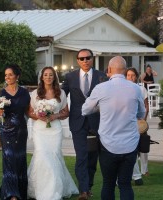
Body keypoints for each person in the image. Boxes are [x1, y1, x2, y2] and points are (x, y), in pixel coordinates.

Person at [82, 56, 146, 200]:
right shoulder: (135, 89)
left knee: (108, 184)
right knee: (125, 184)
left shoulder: (101, 88)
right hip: (130, 144)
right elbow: (142, 113)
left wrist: (100, 108)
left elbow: (85, 110)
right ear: (124, 70)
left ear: (109, 70)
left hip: (107, 144)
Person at [27, 66, 79, 200]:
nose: (48, 77)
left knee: (54, 156)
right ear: (42, 77)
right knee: (42, 155)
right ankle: (40, 189)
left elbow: (66, 112)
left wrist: (54, 116)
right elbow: (30, 112)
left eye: (51, 75)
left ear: (54, 77)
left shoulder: (60, 93)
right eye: (46, 75)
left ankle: (54, 190)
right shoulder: (35, 94)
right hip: (40, 130)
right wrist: (39, 116)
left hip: (55, 129)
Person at [62, 49, 106, 200]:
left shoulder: (102, 76)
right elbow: (61, 96)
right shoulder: (70, 77)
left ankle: (89, 186)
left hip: (97, 122)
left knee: (93, 157)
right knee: (81, 156)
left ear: (92, 59)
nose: (85, 61)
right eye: (82, 58)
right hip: (78, 122)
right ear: (77, 61)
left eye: (88, 58)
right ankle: (83, 191)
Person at [0, 64, 31, 200]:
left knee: (20, 159)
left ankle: (20, 191)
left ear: (17, 76)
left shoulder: (24, 92)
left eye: (10, 74)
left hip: (21, 130)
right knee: (9, 159)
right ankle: (12, 194)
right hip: (6, 130)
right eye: (6, 75)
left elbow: (28, 111)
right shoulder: (2, 93)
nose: (8, 77)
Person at [126, 67, 150, 186]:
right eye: (128, 75)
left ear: (137, 76)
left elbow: (145, 107)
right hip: (124, 124)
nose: (130, 77)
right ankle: (133, 176)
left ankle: (138, 175)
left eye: (133, 75)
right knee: (126, 151)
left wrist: (142, 123)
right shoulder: (122, 89)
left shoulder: (140, 89)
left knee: (136, 150)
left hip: (137, 123)